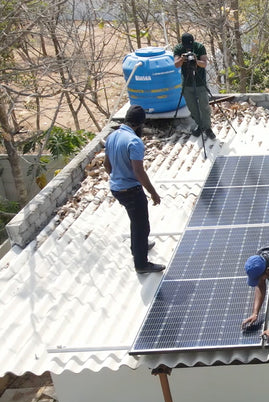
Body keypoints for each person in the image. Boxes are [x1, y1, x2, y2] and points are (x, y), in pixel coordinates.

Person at [103, 105, 166, 274]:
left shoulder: (112, 136)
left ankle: (138, 246)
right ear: (139, 124)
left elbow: (106, 165)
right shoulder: (134, 141)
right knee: (141, 226)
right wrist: (153, 192)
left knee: (135, 221)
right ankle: (141, 264)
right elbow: (139, 171)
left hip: (116, 189)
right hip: (131, 190)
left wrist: (118, 178)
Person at [173, 33, 215, 139]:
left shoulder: (199, 47)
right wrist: (182, 59)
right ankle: (200, 125)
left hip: (200, 82)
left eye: (190, 47)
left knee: (204, 106)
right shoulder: (178, 49)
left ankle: (207, 128)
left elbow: (204, 64)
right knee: (192, 107)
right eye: (186, 47)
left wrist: (196, 61)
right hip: (187, 83)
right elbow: (176, 64)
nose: (188, 49)